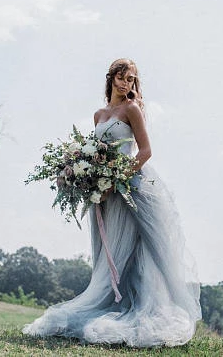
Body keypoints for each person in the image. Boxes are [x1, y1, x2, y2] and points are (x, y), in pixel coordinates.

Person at [22, 59, 201, 347]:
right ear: (111, 79)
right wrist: (89, 177)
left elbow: (145, 151)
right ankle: (111, 303)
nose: (125, 83)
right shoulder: (99, 114)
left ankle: (142, 305)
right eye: (121, 77)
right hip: (104, 194)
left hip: (131, 187)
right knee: (110, 251)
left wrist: (117, 177)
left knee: (138, 249)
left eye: (130, 79)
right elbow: (97, 153)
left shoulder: (132, 110)